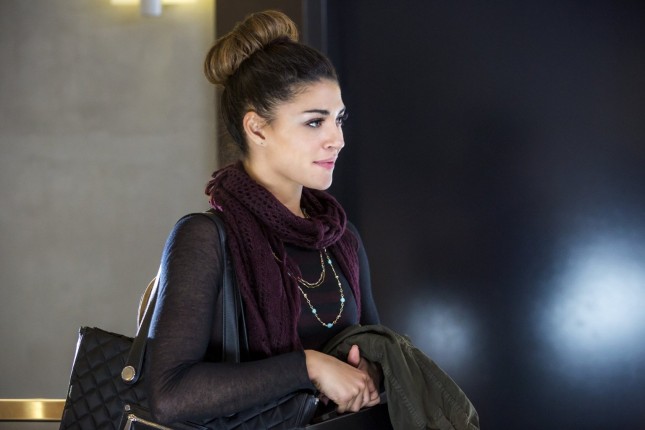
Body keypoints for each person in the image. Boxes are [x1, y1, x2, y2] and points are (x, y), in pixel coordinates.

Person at [145, 10, 383, 426]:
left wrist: (369, 377)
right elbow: (169, 394)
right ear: (257, 128)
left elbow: (378, 351)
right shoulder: (204, 238)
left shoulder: (341, 239)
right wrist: (309, 366)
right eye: (315, 122)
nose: (337, 139)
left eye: (338, 119)